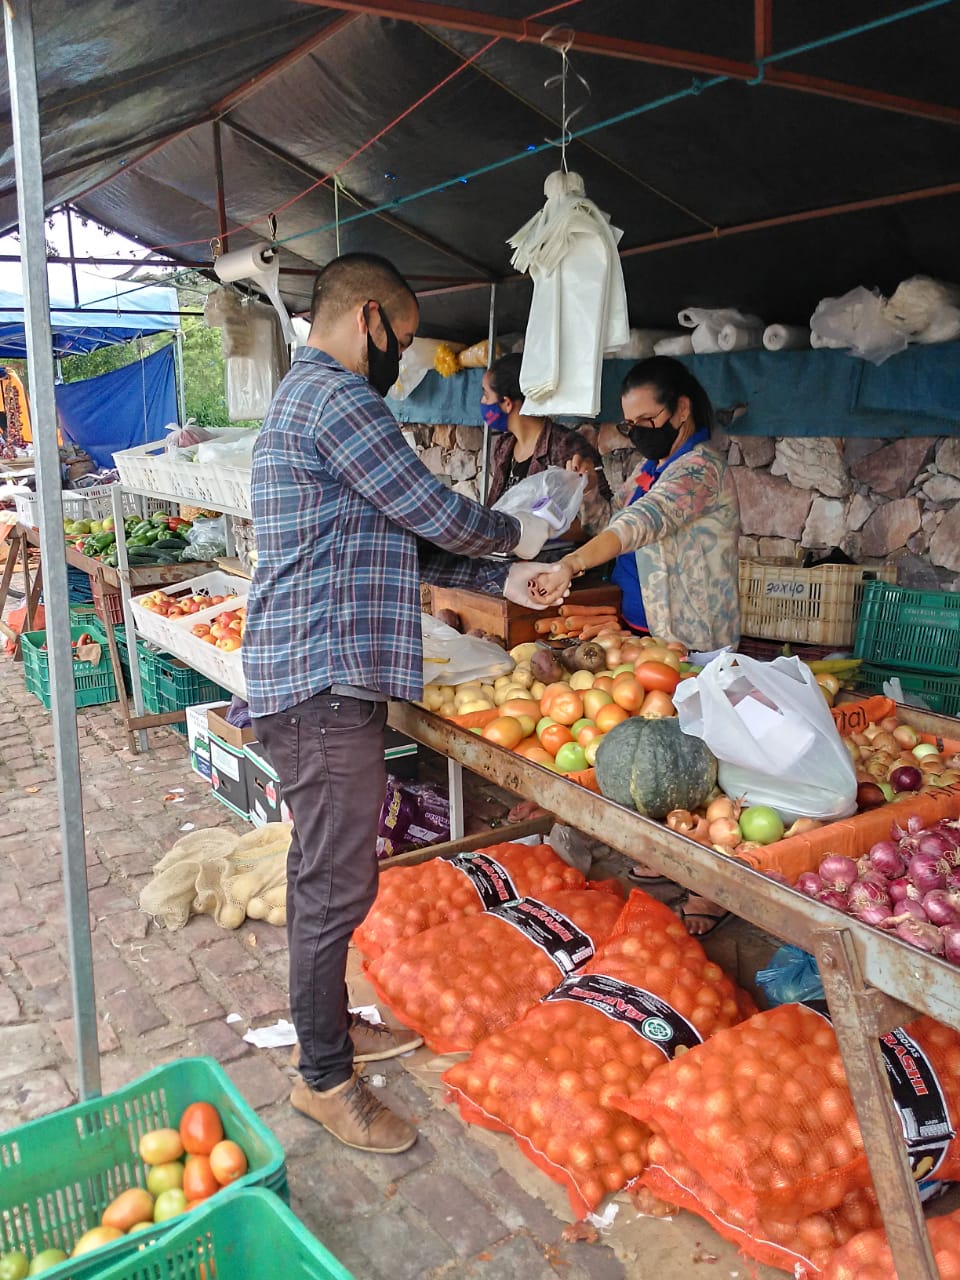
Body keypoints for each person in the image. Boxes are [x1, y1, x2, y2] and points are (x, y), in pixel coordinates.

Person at [243, 252, 556, 1157]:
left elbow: (404, 545)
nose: (403, 363)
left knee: (335, 877)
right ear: (369, 317)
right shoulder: (338, 397)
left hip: (322, 680)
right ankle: (324, 1080)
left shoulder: (315, 404)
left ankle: (331, 1034)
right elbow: (434, 510)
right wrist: (520, 531)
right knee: (331, 885)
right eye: (405, 342)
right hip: (319, 683)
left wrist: (509, 574)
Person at [531, 356, 741, 935]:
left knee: (699, 773)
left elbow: (643, 523)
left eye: (647, 419)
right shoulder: (655, 469)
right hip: (650, 640)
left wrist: (571, 565)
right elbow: (618, 519)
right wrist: (591, 487)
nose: (638, 432)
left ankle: (709, 887)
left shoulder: (700, 471)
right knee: (655, 763)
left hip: (701, 645)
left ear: (681, 411)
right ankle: (654, 859)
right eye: (629, 425)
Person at [481, 352, 612, 538]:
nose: (482, 402)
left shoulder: (567, 447)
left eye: (486, 395)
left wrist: (540, 534)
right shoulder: (504, 447)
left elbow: (597, 523)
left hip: (553, 561)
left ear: (507, 403)